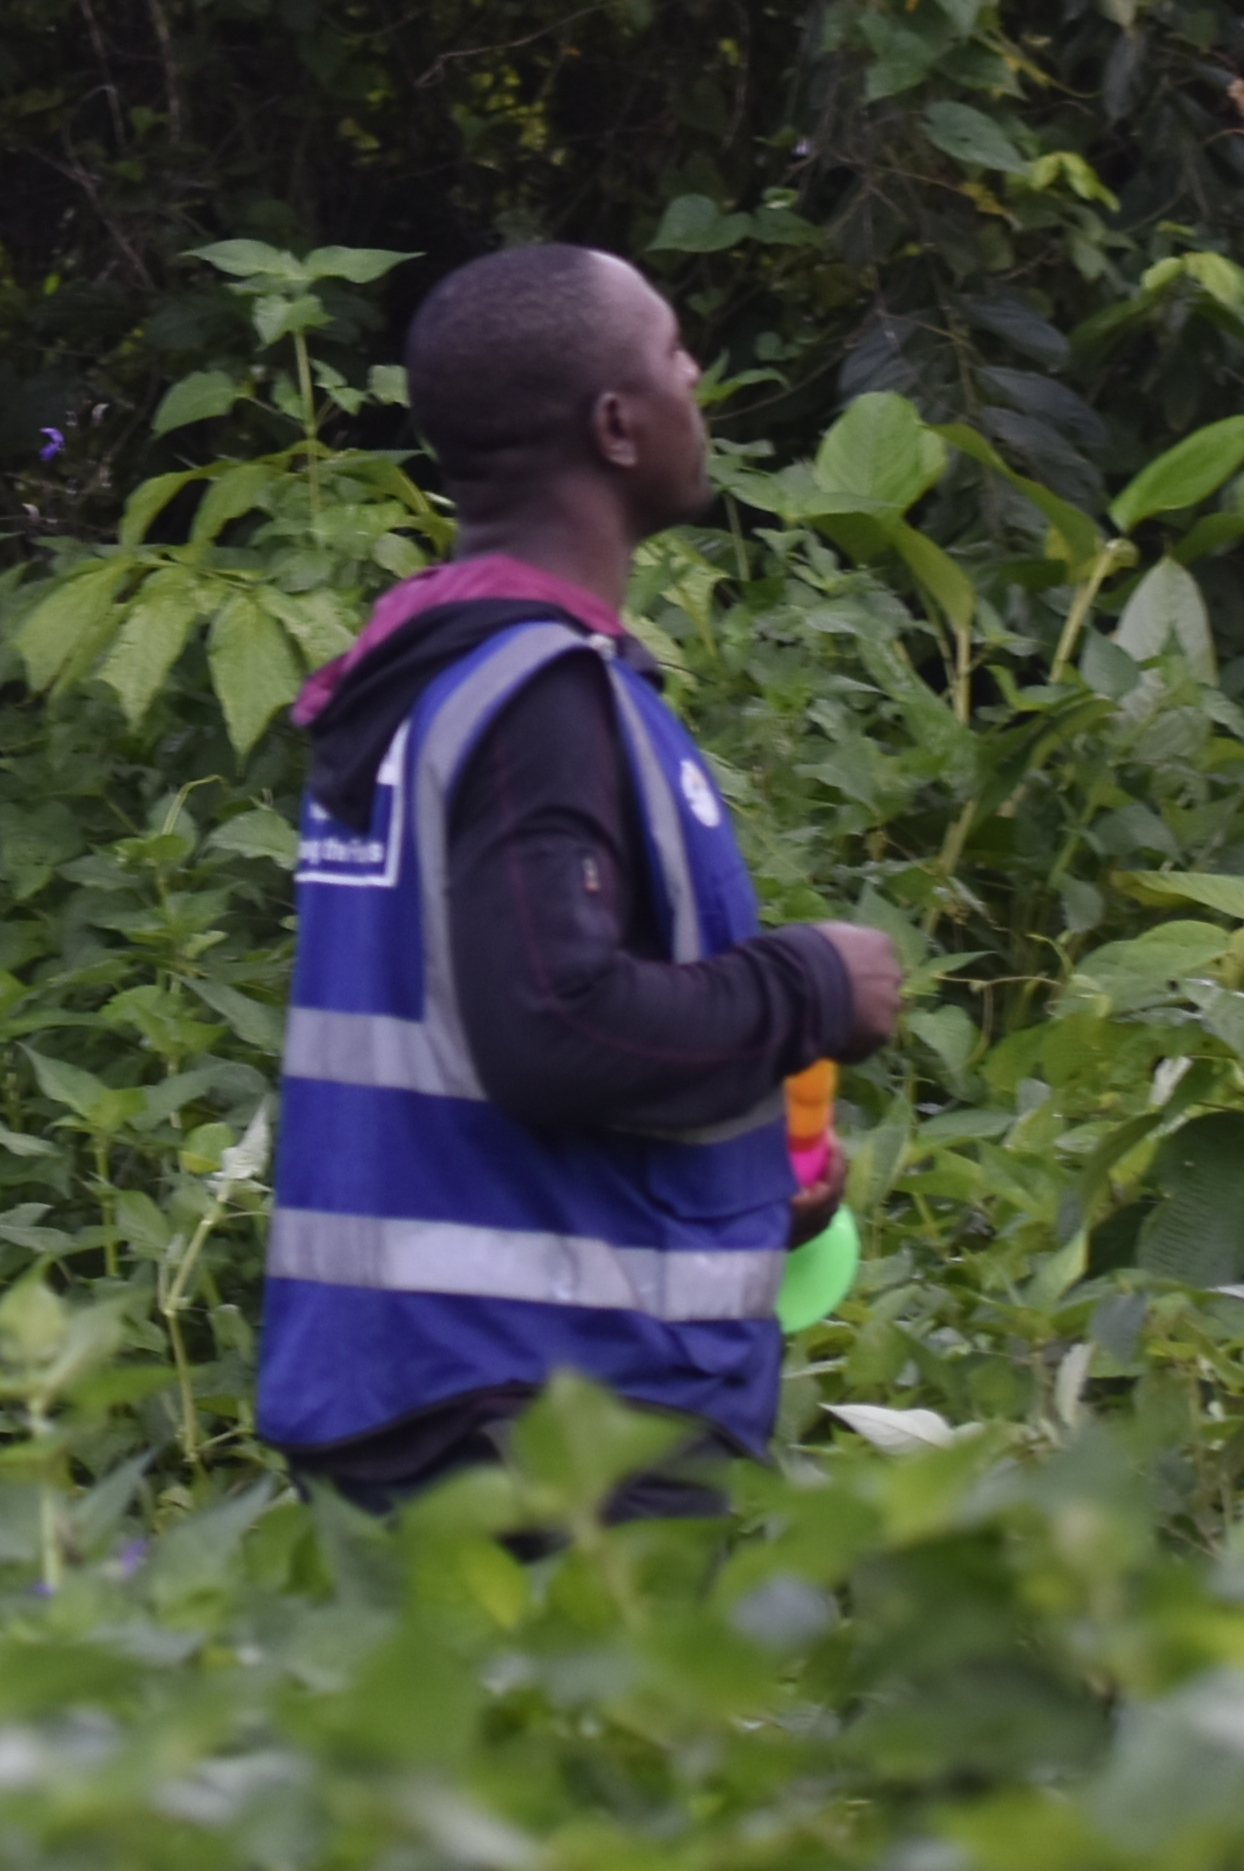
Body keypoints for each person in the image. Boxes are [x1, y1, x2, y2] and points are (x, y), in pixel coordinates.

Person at [259, 242, 908, 1516]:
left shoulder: (435, 680)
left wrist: (741, 1180)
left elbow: (483, 1042)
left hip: (433, 1393)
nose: (697, 376)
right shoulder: (533, 699)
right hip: (544, 1421)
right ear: (617, 425)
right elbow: (553, 1025)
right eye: (674, 355)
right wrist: (811, 985)